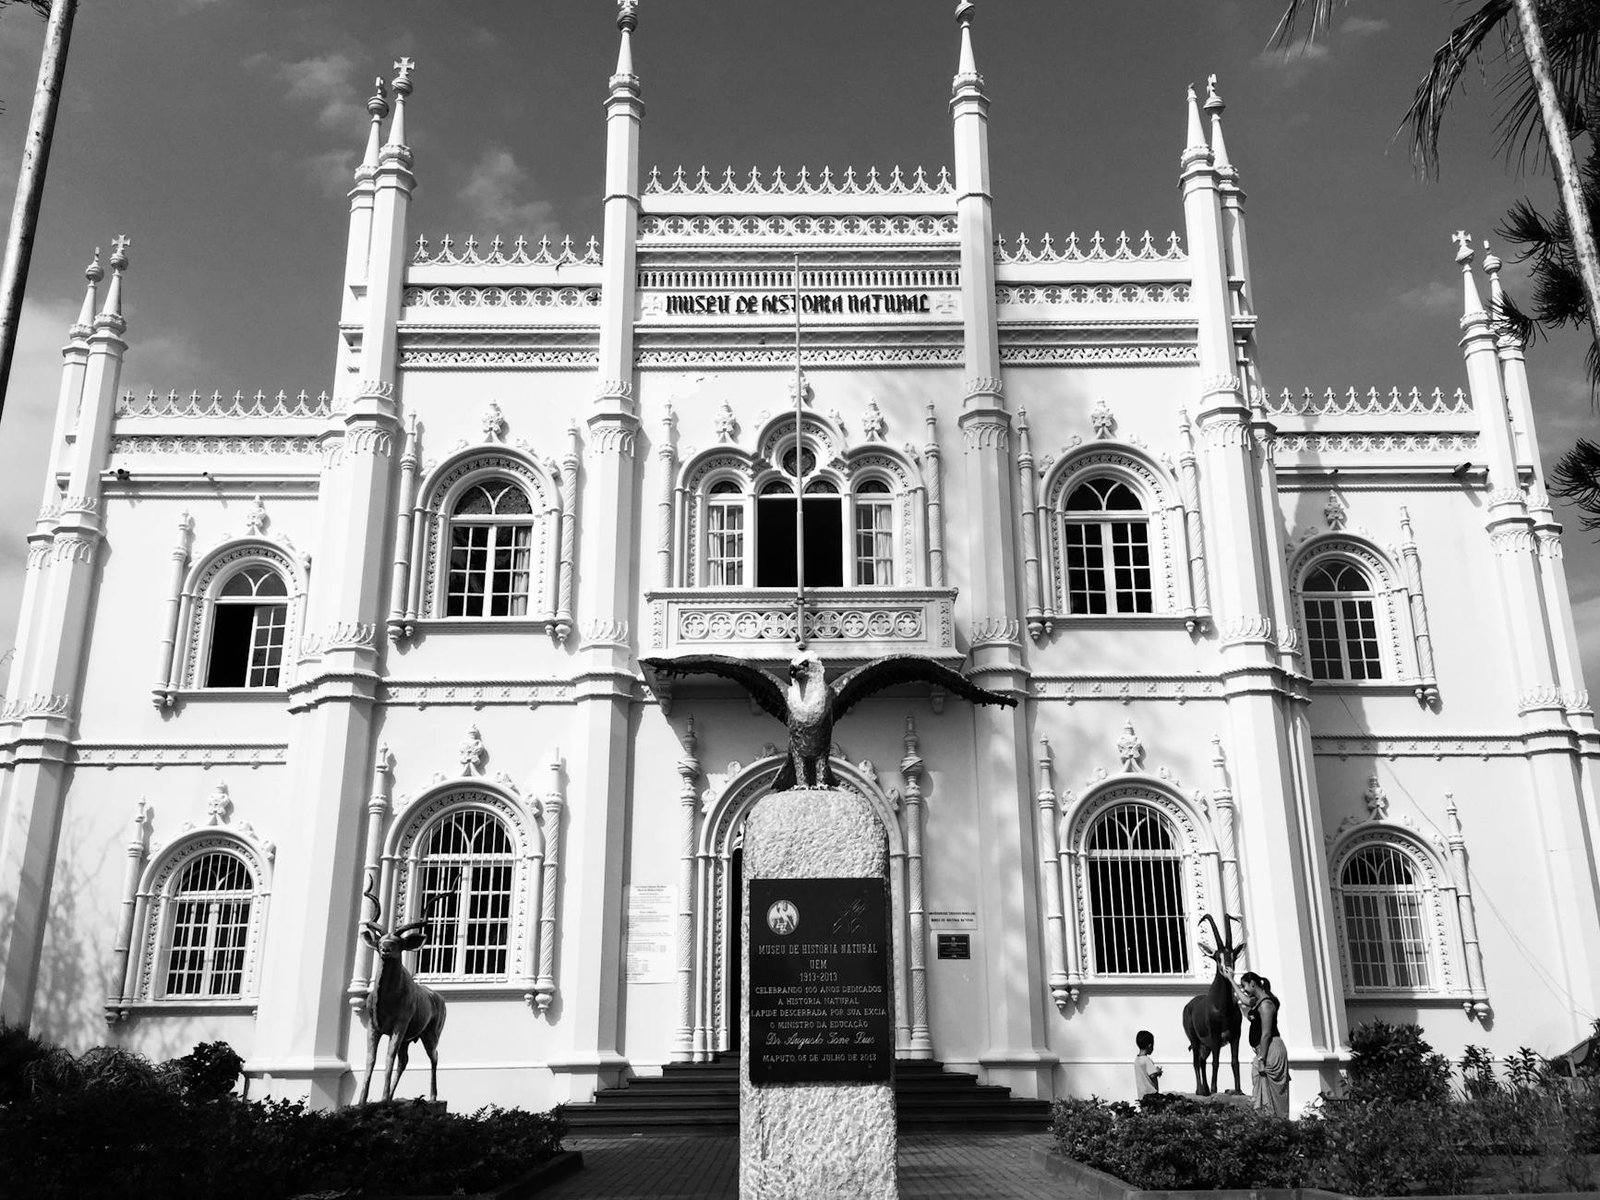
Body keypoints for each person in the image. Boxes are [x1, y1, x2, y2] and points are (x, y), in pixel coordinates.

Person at [1237, 971, 1289, 1115]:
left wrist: (1261, 1059)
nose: (1244, 990)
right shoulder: (1257, 1002)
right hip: (1264, 1051)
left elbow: (1266, 1034)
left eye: (1244, 986)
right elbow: (1245, 1001)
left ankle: (1278, 1127)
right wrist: (1230, 979)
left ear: (1252, 983)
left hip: (1270, 1050)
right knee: (1261, 1093)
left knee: (1273, 1096)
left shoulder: (1266, 1004)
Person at [1133, 1029, 1162, 1099]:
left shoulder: (1137, 1060)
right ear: (1150, 1046)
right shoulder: (1147, 1060)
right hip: (1151, 1094)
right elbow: (1152, 1075)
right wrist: (1158, 1072)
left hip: (1141, 1095)